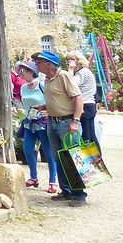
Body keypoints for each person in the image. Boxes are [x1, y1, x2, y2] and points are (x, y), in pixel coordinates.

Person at [33, 50, 86, 206]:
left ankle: (79, 194)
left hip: (67, 122)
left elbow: (78, 98)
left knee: (72, 157)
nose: (36, 64)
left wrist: (75, 121)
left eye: (39, 62)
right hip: (53, 122)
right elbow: (59, 98)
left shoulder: (64, 76)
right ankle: (66, 191)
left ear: (48, 65)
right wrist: (44, 106)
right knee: (59, 158)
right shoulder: (48, 80)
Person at [16, 60, 57, 193]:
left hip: (42, 123)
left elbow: (51, 99)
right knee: (27, 149)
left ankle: (52, 181)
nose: (20, 73)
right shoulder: (23, 87)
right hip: (29, 122)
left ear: (31, 73)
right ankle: (33, 177)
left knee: (48, 153)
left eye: (23, 71)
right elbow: (24, 103)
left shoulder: (41, 85)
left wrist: (48, 111)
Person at [66, 51, 99, 150]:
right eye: (68, 60)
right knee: (90, 134)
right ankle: (96, 159)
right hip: (89, 104)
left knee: (87, 136)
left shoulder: (83, 72)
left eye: (72, 60)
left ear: (78, 60)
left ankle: (92, 160)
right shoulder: (85, 72)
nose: (69, 62)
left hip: (85, 104)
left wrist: (70, 70)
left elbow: (71, 84)